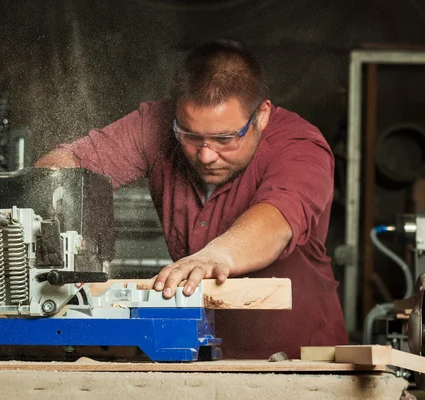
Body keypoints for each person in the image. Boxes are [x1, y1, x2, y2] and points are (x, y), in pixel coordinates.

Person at [35, 39, 348, 359]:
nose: (206, 155)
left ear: (262, 115)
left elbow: (276, 220)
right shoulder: (156, 124)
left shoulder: (301, 146)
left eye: (225, 139)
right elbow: (68, 167)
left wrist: (217, 256)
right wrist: (31, 208)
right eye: (190, 136)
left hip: (297, 361)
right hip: (197, 352)